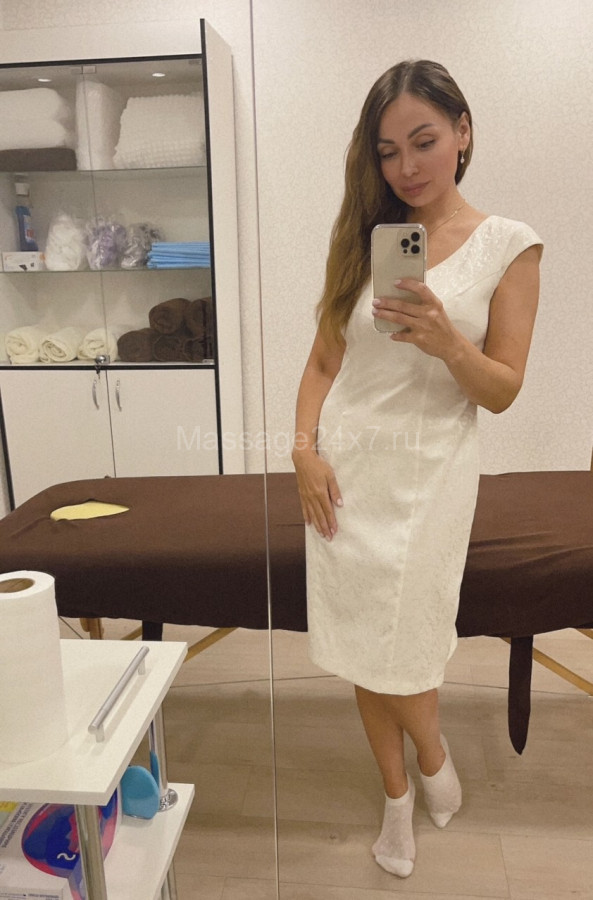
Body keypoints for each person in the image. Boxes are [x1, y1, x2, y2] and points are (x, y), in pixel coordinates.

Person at [291, 59, 543, 879]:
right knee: (363, 641)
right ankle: (397, 795)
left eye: (424, 141)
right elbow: (324, 361)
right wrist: (302, 452)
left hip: (431, 472)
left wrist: (446, 343)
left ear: (462, 132)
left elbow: (501, 390)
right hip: (346, 471)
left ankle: (430, 753)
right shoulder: (364, 240)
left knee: (404, 640)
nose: (406, 165)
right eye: (388, 150)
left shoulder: (509, 246)